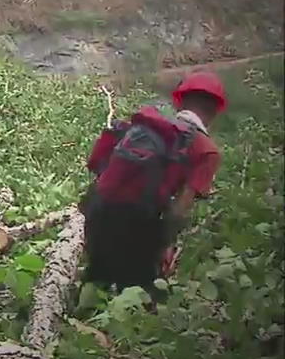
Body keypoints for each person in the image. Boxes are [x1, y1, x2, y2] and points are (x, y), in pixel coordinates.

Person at [80, 72, 225, 301]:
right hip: (140, 221)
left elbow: (98, 162)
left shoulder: (147, 125)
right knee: (141, 299)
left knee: (96, 285)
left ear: (181, 101)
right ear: (216, 110)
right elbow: (180, 208)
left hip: (99, 206)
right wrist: (164, 243)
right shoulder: (207, 150)